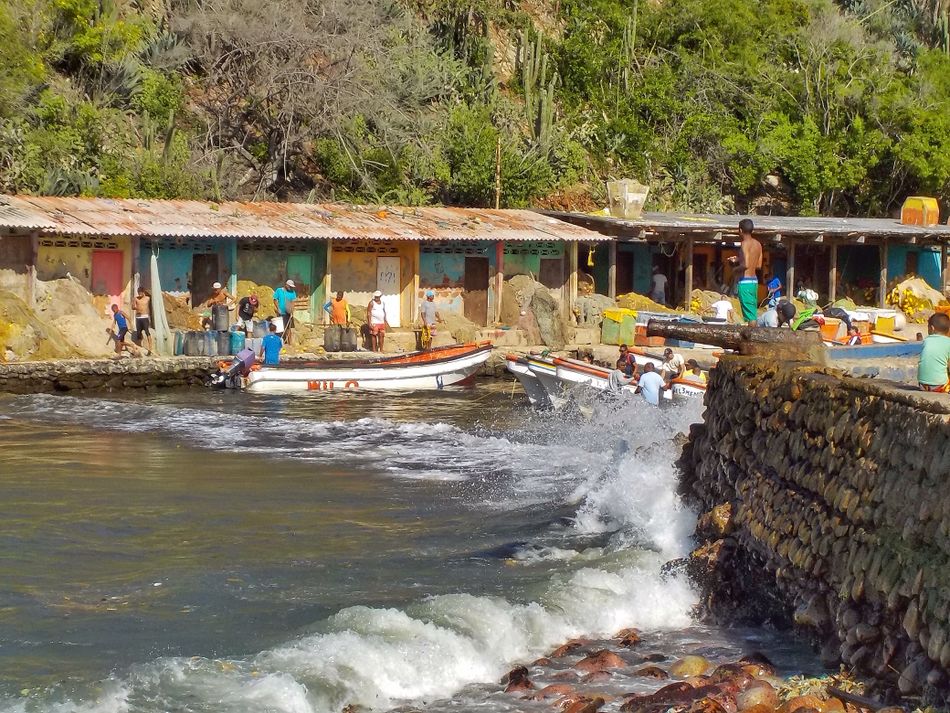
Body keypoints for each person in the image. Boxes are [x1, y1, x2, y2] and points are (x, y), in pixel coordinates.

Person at [728, 219, 763, 323]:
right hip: (754, 281)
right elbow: (758, 265)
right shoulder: (758, 244)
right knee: (752, 312)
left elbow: (746, 265)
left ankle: (752, 333)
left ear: (740, 230)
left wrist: (735, 269)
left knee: (750, 317)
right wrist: (739, 259)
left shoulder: (744, 244)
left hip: (745, 282)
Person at [917, 312, 950, 393]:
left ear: (932, 328)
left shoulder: (926, 341)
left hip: (922, 385)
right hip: (939, 386)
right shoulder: (948, 342)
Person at [273, 279, 297, 345]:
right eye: (290, 286)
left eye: (291, 287)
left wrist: (292, 311)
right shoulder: (279, 290)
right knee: (280, 328)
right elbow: (275, 300)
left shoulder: (292, 292)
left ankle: (289, 343)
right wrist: (278, 308)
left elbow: (293, 302)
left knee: (289, 328)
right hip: (281, 313)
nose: (291, 288)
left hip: (288, 313)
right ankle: (281, 342)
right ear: (286, 285)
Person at [132, 287, 152, 353]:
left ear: (143, 292)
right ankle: (139, 346)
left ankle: (150, 347)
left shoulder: (148, 298)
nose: (139, 294)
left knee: (147, 331)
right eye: (138, 293)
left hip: (145, 317)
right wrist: (136, 308)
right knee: (138, 332)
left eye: (140, 293)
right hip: (138, 317)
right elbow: (132, 307)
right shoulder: (136, 298)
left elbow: (151, 306)